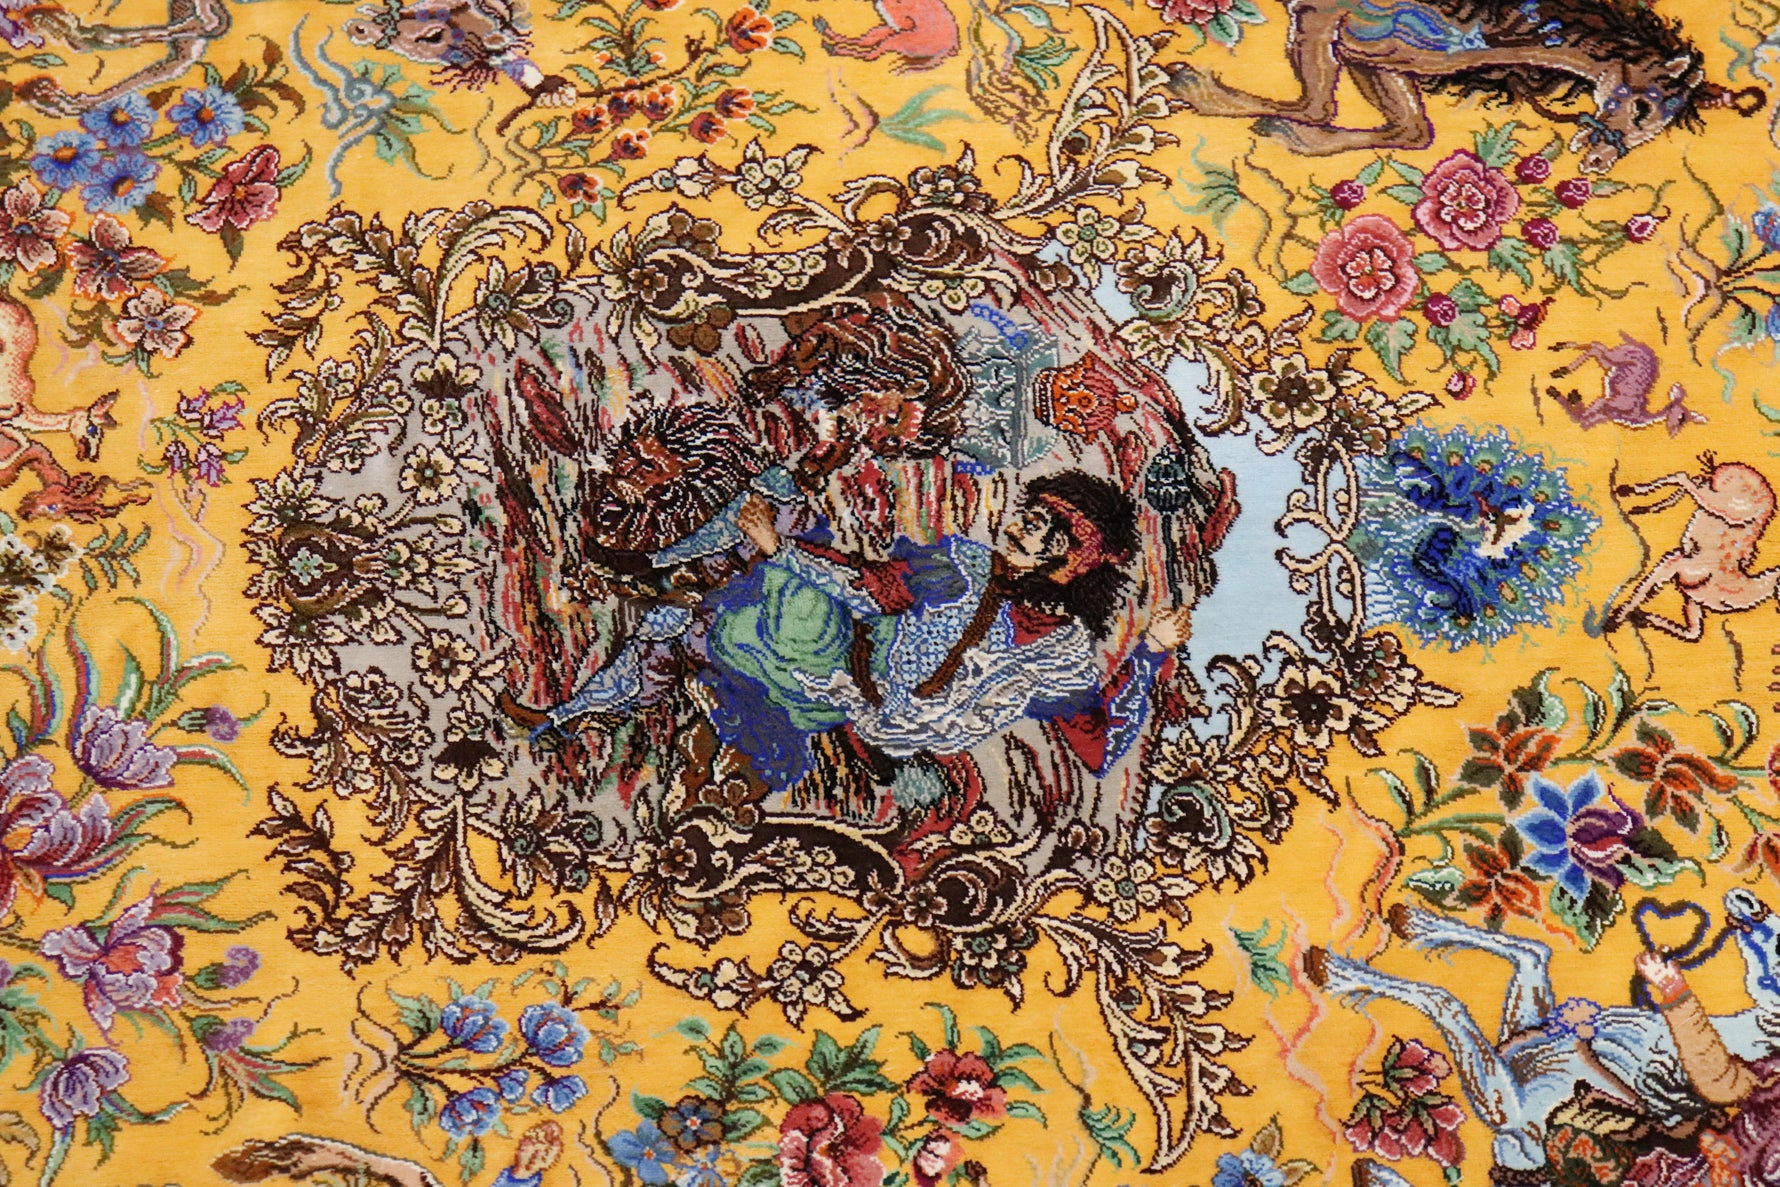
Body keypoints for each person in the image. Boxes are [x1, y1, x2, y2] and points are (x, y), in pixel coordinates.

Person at [504, 470, 1188, 795]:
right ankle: (642, 591)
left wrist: (1151, 653)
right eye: (1026, 512)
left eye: (1038, 526)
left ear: (1068, 557)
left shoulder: (1058, 650)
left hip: (845, 678)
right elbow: (875, 586)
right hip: (856, 657)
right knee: (775, 514)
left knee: (716, 594)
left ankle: (638, 613)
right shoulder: (965, 565)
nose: (1017, 524)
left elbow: (1100, 744)